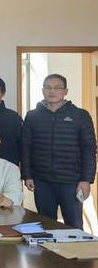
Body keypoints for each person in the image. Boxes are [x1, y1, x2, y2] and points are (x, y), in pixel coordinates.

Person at [22, 74, 97, 229]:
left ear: (65, 91)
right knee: (46, 225)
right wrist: (27, 175)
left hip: (72, 181)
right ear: (42, 90)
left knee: (73, 227)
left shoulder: (80, 115)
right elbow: (26, 147)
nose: (52, 91)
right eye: (48, 87)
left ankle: (76, 247)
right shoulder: (32, 116)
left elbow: (89, 149)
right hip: (42, 181)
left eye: (57, 87)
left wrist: (86, 179)